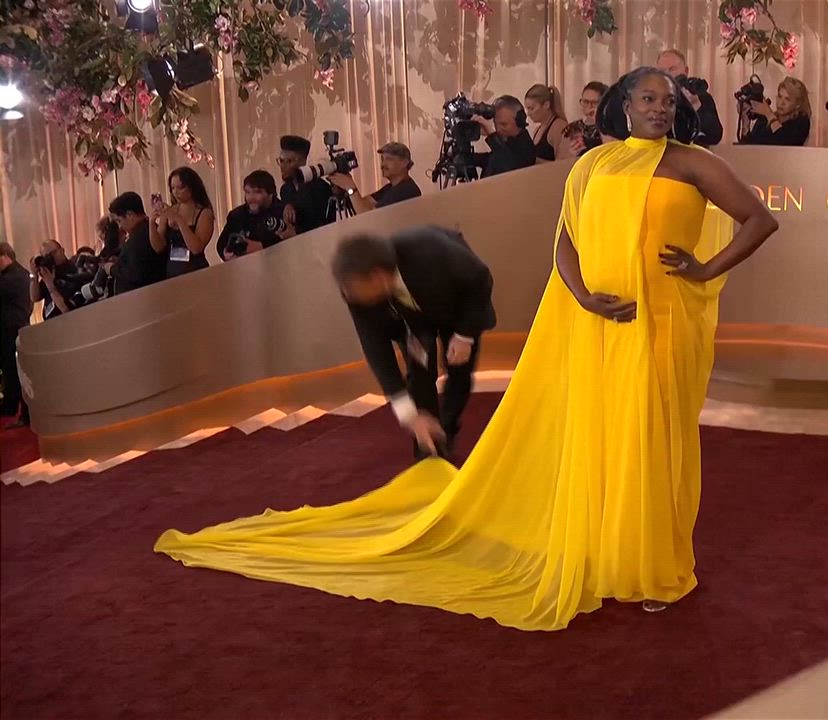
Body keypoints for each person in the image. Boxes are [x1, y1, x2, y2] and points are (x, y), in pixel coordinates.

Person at [154, 65, 779, 631]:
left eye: (668, 100)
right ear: (626, 105)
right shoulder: (594, 166)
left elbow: (759, 219)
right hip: (598, 325)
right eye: (648, 99)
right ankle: (608, 552)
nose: (660, 108)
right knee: (603, 437)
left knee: (656, 436)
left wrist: (704, 269)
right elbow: (565, 243)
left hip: (663, 323)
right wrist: (585, 297)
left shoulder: (693, 163)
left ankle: (656, 566)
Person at [334, 228, 496, 461]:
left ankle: (447, 429)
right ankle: (429, 443)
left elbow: (479, 278)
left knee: (459, 370)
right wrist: (409, 415)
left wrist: (464, 336)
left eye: (351, 288)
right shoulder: (355, 294)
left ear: (377, 276)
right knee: (419, 374)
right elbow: (376, 348)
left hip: (456, 306)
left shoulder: (430, 249)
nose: (347, 295)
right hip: (412, 321)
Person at [152, 167, 215, 279]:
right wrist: (151, 222)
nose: (176, 192)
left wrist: (179, 220)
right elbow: (158, 247)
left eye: (180, 187)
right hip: (173, 270)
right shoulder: (170, 210)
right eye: (173, 188)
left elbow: (196, 248)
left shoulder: (204, 213)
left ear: (192, 187)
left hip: (195, 270)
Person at [217, 170, 292, 260]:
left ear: (271, 193)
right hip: (243, 266)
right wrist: (226, 254)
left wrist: (262, 246)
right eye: (247, 192)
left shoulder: (284, 211)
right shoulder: (237, 215)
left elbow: (290, 241)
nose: (251, 197)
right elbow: (221, 244)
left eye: (257, 192)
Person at [329, 143, 422, 214]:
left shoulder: (406, 190)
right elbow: (364, 203)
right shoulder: (390, 187)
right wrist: (345, 182)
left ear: (405, 162)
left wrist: (350, 187)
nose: (383, 164)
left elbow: (367, 215)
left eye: (389, 159)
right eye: (382, 159)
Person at [657, 48, 724, 146]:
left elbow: (714, 137)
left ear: (686, 71)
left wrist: (696, 106)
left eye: (672, 69)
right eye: (662, 71)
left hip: (693, 153)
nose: (667, 74)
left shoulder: (701, 97)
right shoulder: (653, 101)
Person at [0, 242, 33, 427]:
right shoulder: (20, 273)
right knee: (13, 370)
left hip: (11, 329)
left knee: (15, 371)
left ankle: (17, 410)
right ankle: (12, 406)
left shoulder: (12, 277)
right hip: (16, 327)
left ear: (5, 256)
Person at [109, 191, 167, 295]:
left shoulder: (141, 236)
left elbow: (136, 273)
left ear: (130, 215)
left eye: (119, 221)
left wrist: (111, 269)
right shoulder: (145, 231)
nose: (120, 227)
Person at [277, 135, 336, 234]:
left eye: (289, 161)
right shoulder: (285, 189)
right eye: (281, 161)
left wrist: (295, 233)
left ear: (303, 162)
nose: (283, 166)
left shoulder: (320, 188)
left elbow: (324, 227)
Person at [739, 77, 812, 146]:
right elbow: (749, 147)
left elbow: (784, 143)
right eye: (780, 96)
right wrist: (746, 122)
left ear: (797, 105)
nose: (781, 103)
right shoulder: (764, 120)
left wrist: (769, 114)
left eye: (787, 99)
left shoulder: (801, 121)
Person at [476, 96, 537, 177]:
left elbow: (508, 165)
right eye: (495, 123)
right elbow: (492, 159)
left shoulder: (526, 147)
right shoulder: (507, 141)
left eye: (504, 124)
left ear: (519, 121)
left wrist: (491, 134)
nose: (498, 129)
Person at [28, 240, 76, 321]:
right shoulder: (49, 273)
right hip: (50, 322)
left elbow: (67, 309)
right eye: (46, 256)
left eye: (53, 253)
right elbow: (35, 298)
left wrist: (50, 285)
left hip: (66, 320)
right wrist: (34, 276)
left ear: (62, 250)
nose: (50, 258)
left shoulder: (73, 269)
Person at [524, 84, 570, 162]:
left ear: (546, 105)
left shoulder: (559, 126)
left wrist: (534, 161)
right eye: (527, 109)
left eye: (531, 108)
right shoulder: (537, 129)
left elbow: (562, 162)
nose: (528, 113)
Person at [564, 81, 608, 156]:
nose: (589, 106)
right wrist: (572, 155)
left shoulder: (610, 128)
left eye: (594, 102)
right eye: (585, 102)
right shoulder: (574, 128)